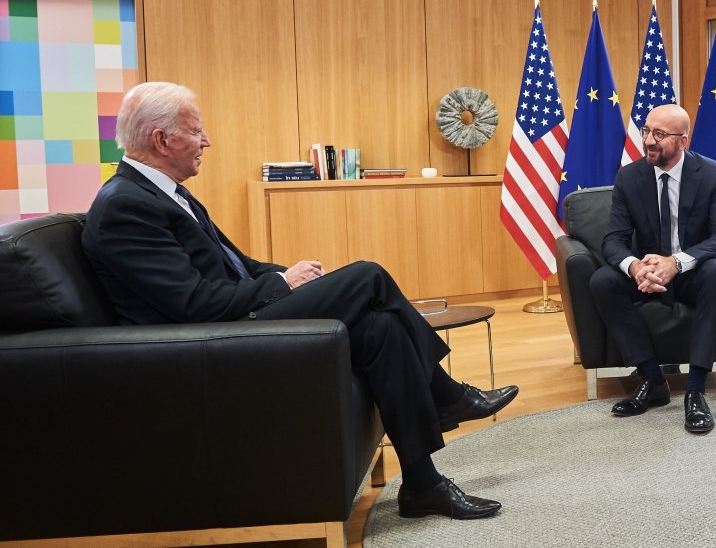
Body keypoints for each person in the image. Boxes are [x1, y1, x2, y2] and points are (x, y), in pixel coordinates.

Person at [81, 82, 518, 519]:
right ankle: (445, 392)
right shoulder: (125, 206)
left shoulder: (160, 191)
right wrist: (283, 285)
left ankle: (424, 485)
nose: (207, 141)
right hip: (204, 346)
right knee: (368, 276)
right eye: (197, 131)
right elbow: (191, 303)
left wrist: (282, 274)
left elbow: (234, 263)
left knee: (379, 327)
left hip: (229, 320)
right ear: (161, 139)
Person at [588, 103, 716, 434]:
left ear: (683, 141)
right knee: (602, 281)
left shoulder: (712, 173)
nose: (649, 141)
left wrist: (676, 263)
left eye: (659, 134)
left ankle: (696, 389)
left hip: (690, 273)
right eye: (646, 131)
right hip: (649, 274)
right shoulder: (629, 176)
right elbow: (612, 240)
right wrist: (636, 268)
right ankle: (653, 380)